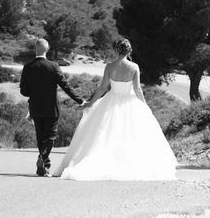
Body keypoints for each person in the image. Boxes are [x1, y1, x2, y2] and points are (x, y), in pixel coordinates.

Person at [56, 38, 177, 181]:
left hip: (110, 101)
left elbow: (102, 88)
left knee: (103, 135)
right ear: (129, 51)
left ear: (116, 50)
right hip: (129, 101)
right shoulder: (134, 67)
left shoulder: (110, 66)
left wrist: (89, 103)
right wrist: (144, 105)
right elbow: (138, 89)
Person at [20, 38, 85, 177]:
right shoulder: (53, 66)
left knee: (40, 136)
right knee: (50, 136)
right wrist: (79, 100)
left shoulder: (27, 67)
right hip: (51, 108)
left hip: (35, 108)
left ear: (35, 49)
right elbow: (65, 86)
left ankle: (44, 166)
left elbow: (24, 92)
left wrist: (34, 91)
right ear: (47, 49)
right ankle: (43, 159)